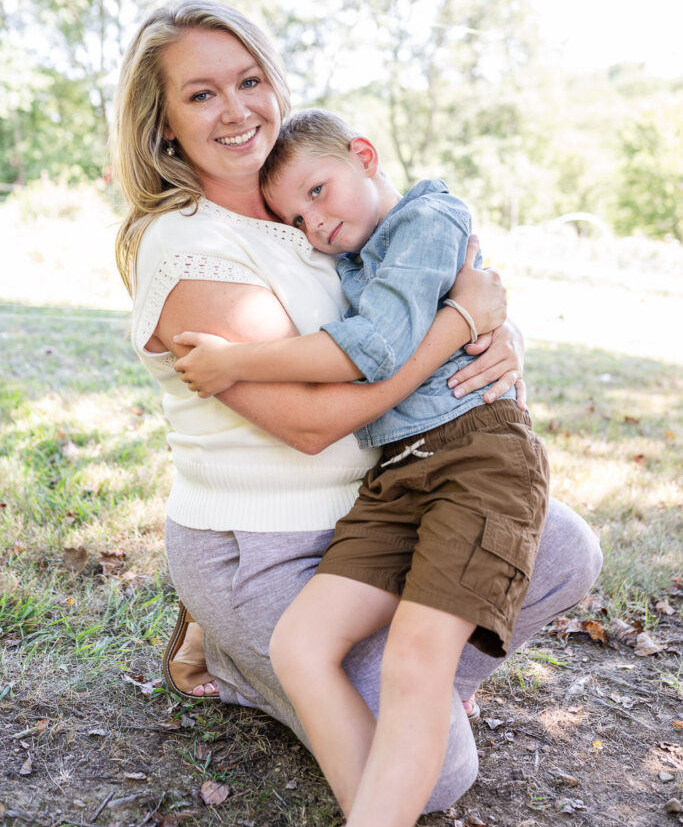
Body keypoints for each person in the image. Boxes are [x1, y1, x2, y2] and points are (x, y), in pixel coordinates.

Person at [112, 0, 602, 819]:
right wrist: (460, 323)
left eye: (249, 80)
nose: (236, 110)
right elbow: (312, 423)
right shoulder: (187, 246)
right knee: (435, 777)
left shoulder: (303, 209)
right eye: (200, 95)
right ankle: (249, 664)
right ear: (163, 126)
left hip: (384, 501)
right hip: (262, 541)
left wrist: (498, 325)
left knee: (562, 551)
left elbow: (412, 288)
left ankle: (392, 688)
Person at [172, 108, 550, 826]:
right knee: (301, 642)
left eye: (318, 192)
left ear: (365, 155)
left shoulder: (429, 218)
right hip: (397, 474)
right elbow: (439, 319)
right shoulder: (348, 254)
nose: (315, 224)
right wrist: (479, 316)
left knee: (415, 661)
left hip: (475, 458)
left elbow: (376, 345)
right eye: (296, 216)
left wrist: (235, 361)